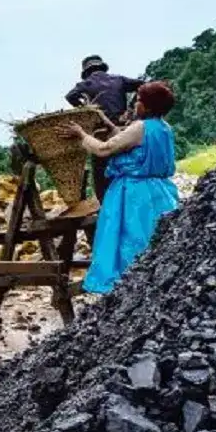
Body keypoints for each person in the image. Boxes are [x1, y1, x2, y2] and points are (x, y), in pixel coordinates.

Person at [62, 81, 179, 295]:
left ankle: (130, 288)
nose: (136, 105)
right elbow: (127, 139)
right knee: (156, 239)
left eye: (139, 101)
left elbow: (104, 149)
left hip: (133, 194)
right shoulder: (164, 128)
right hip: (160, 192)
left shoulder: (140, 127)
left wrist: (81, 135)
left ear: (148, 107)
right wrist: (107, 122)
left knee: (130, 240)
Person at [65, 55, 145, 201]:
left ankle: (106, 204)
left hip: (100, 133)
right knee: (126, 166)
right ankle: (130, 200)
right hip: (123, 130)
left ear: (86, 71)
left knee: (101, 173)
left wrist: (86, 109)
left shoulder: (86, 84)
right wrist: (131, 108)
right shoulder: (119, 79)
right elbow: (143, 85)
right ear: (102, 67)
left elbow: (70, 96)